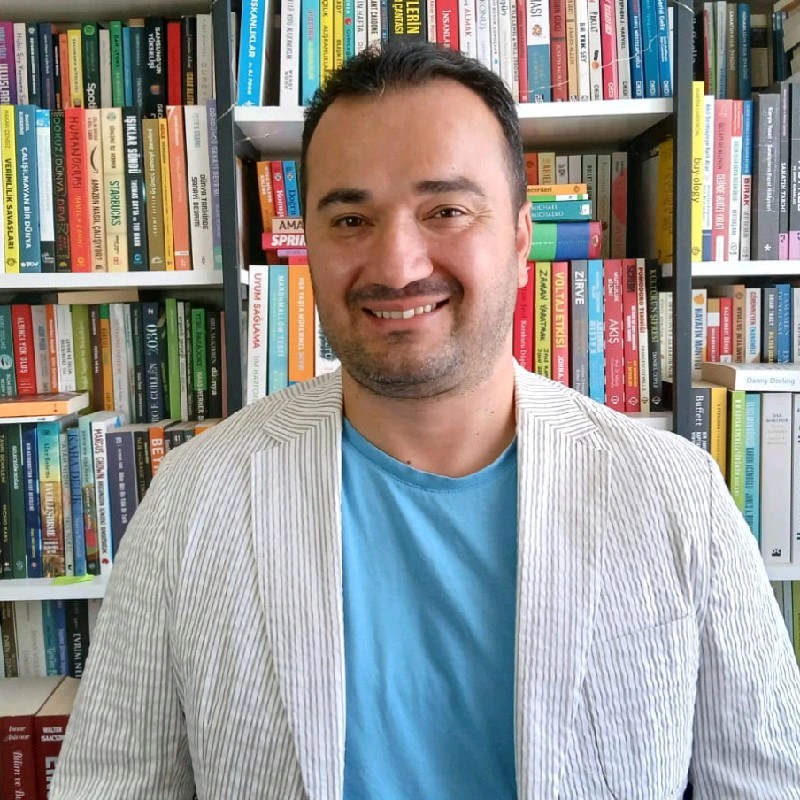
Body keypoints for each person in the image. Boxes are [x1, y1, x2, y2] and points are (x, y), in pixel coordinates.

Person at [51, 41, 800, 800]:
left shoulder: (677, 495)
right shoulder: (193, 497)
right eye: (351, 218)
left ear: (519, 235)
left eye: (445, 211)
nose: (397, 266)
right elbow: (112, 784)